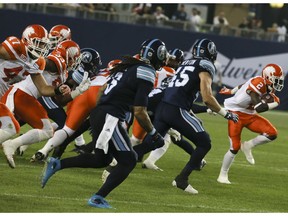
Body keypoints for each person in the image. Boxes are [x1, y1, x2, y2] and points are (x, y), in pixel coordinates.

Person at [41, 38, 168, 209]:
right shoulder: (146, 71)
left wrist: (104, 110)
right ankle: (98, 198)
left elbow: (102, 89)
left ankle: (58, 164)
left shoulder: (128, 65)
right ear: (157, 55)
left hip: (101, 112)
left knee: (102, 159)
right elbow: (139, 110)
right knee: (128, 160)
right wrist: (154, 133)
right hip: (111, 117)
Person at [133, 38, 239, 194]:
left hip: (163, 107)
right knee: (205, 142)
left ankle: (115, 162)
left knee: (152, 143)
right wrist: (225, 113)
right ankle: (182, 179)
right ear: (210, 53)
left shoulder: (185, 63)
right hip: (177, 109)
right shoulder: (206, 65)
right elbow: (208, 97)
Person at [1, 39, 88, 168]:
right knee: (9, 127)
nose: (75, 62)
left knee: (47, 131)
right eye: (74, 58)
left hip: (28, 97)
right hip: (20, 93)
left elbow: (57, 99)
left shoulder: (63, 72)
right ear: (69, 55)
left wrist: (76, 92)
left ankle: (12, 144)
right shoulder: (58, 61)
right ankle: (11, 144)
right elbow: (47, 63)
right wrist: (33, 61)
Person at [0, 24, 70, 161]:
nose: (41, 48)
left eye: (44, 45)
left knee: (12, 127)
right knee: (11, 127)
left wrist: (57, 90)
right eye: (38, 43)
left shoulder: (38, 63)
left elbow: (43, 89)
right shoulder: (15, 47)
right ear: (26, 40)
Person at [31, 48, 106, 161]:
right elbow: (64, 94)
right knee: (65, 126)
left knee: (66, 128)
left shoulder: (73, 69)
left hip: (66, 96)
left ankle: (43, 151)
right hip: (51, 95)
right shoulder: (77, 71)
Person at [217, 63, 284, 184]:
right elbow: (259, 107)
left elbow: (244, 85)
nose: (278, 83)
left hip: (249, 114)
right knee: (235, 147)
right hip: (235, 113)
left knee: (272, 133)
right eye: (276, 80)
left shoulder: (268, 86)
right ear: (268, 77)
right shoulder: (259, 82)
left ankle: (248, 145)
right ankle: (223, 174)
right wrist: (275, 103)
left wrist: (231, 90)